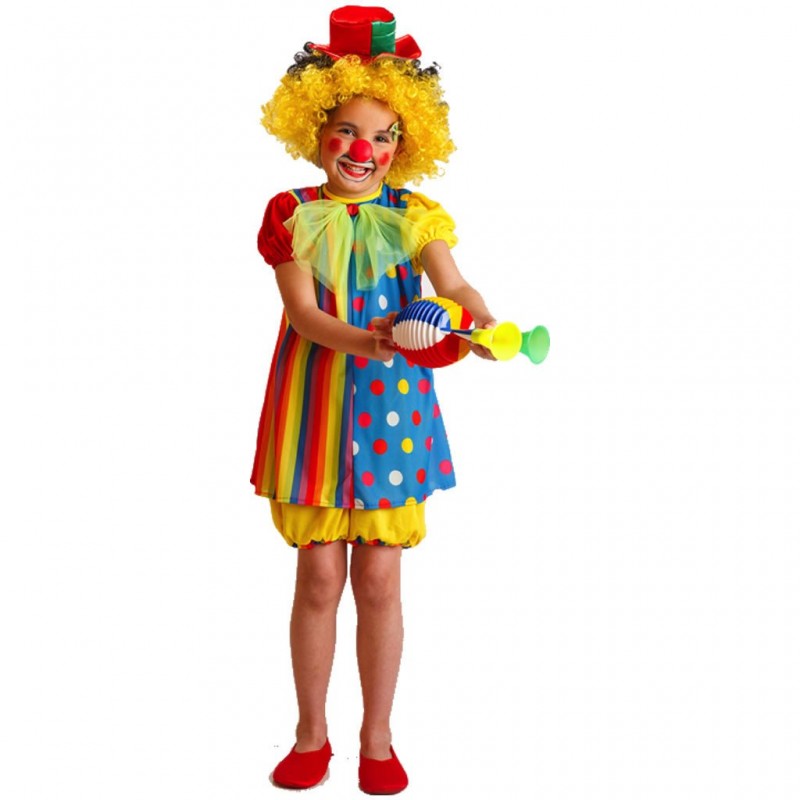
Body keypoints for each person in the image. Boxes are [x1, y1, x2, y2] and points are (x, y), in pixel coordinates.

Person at [251, 6, 495, 793]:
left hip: (394, 420)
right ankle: (310, 734)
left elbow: (455, 284)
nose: (365, 151)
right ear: (316, 130)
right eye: (348, 131)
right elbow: (302, 314)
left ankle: (378, 739)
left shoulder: (414, 215)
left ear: (405, 142)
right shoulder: (291, 214)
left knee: (381, 582)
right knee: (319, 579)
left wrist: (482, 324)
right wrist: (370, 340)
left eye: (384, 136)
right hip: (315, 414)